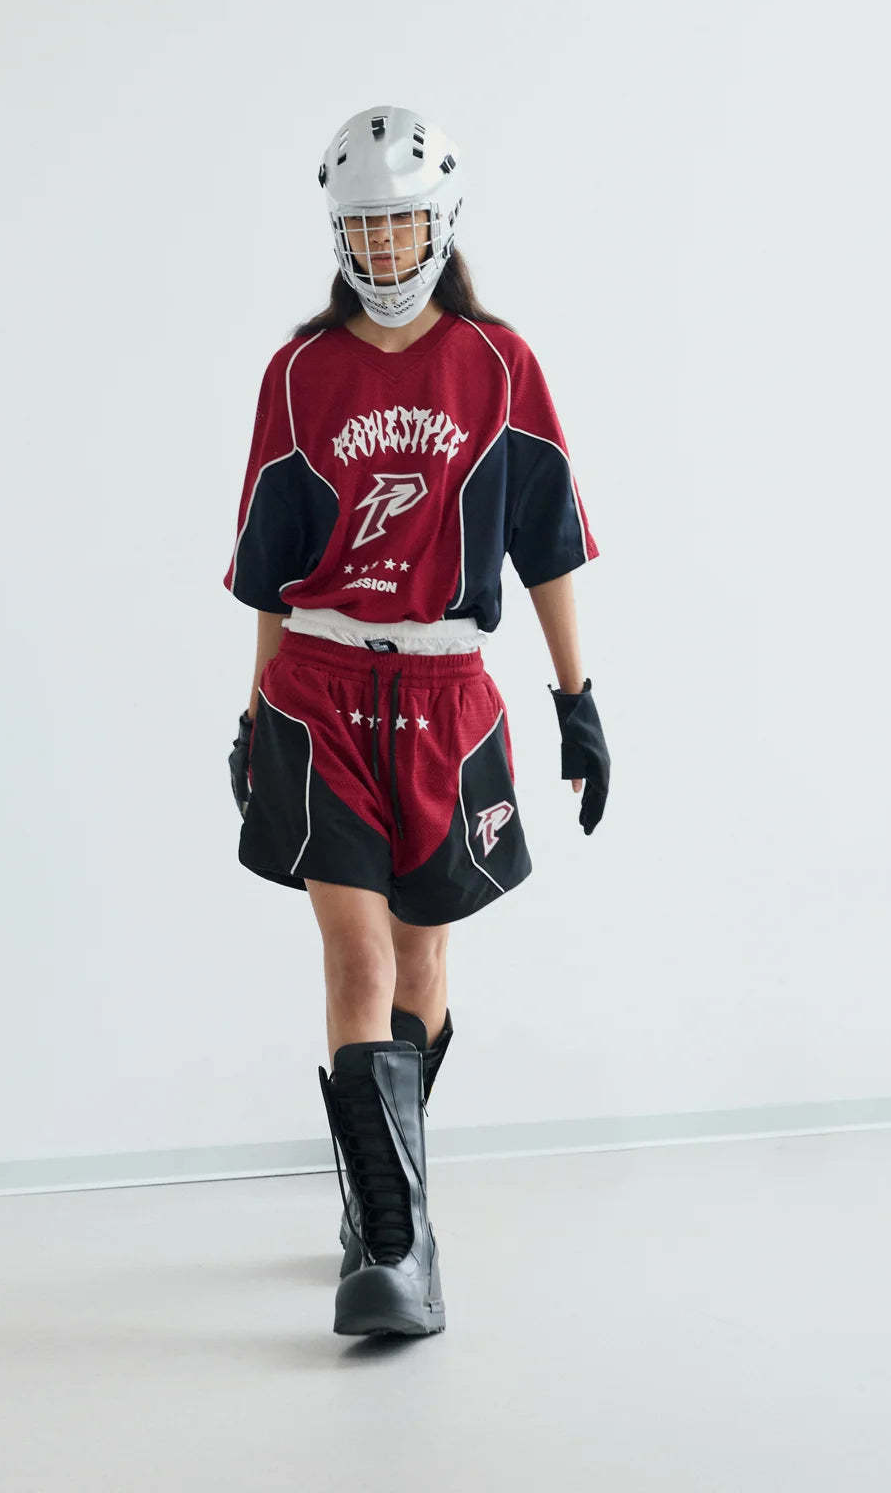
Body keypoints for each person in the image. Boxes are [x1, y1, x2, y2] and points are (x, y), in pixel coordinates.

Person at [223, 105, 610, 1339]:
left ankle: (381, 1189)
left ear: (440, 224)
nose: (384, 247)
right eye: (364, 228)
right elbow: (272, 567)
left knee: (424, 964)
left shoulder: (499, 364)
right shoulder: (300, 374)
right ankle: (394, 1246)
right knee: (358, 957)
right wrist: (254, 717)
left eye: (401, 224)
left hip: (447, 696)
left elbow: (548, 542)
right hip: (322, 689)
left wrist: (577, 700)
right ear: (339, 235)